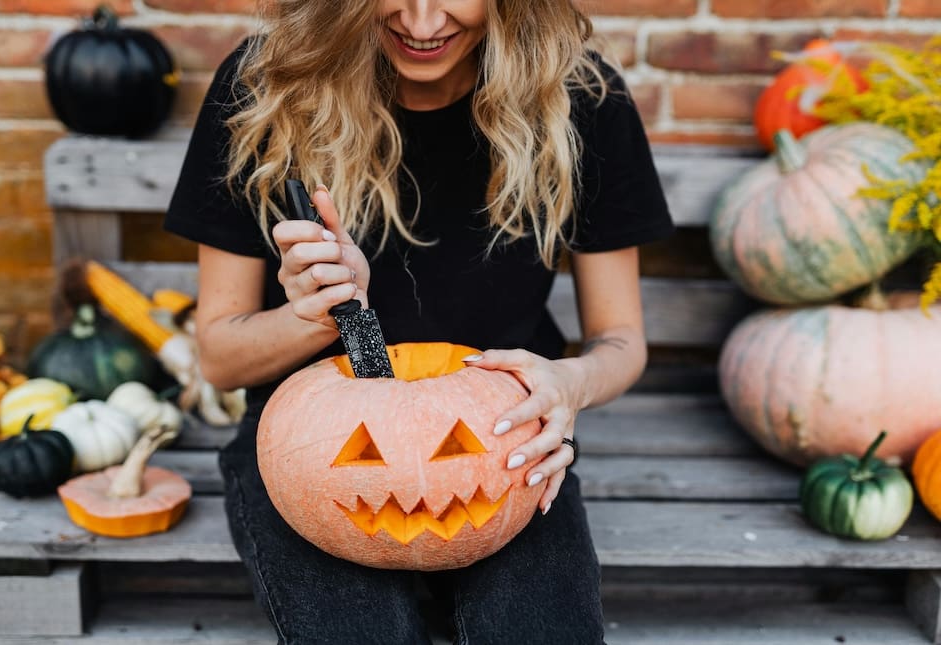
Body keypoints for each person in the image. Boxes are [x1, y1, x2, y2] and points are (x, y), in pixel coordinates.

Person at [164, 1, 674, 642]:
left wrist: (569, 384)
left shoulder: (576, 94)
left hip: (501, 438)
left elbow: (621, 341)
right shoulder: (268, 85)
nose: (424, 21)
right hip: (309, 444)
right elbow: (219, 357)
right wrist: (316, 315)